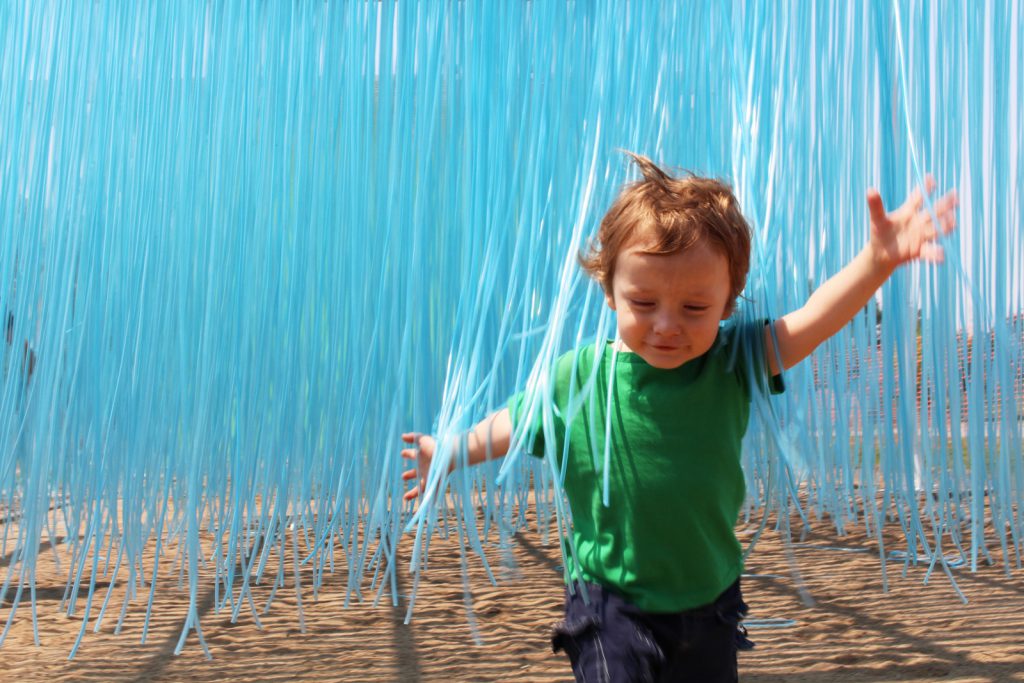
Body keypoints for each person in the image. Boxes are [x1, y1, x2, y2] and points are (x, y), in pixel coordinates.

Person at [401, 152, 958, 682]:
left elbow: (813, 319)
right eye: (644, 303)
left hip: (709, 605)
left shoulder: (733, 361)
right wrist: (450, 452)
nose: (667, 324)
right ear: (611, 293)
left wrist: (878, 261)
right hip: (610, 605)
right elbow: (516, 423)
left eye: (695, 308)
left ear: (727, 303)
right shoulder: (580, 375)